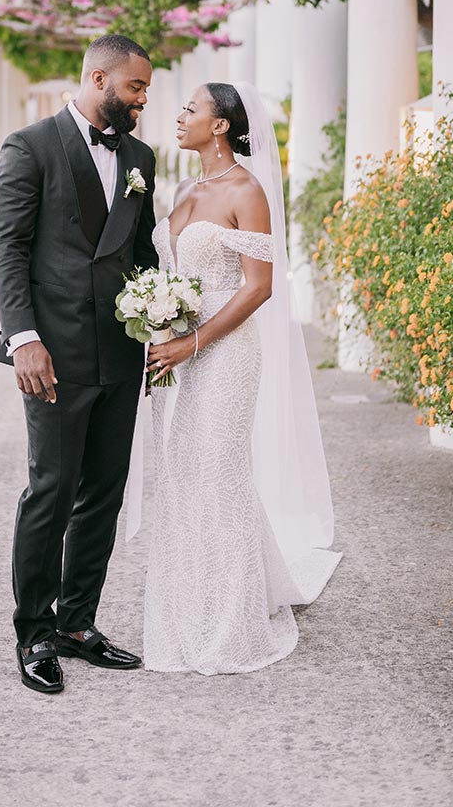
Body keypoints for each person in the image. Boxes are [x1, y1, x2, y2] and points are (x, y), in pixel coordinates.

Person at [142, 81, 342, 674]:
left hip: (222, 355)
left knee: (219, 472)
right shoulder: (184, 187)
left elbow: (259, 286)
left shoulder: (246, 190)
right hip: (171, 354)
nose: (179, 116)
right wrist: (157, 321)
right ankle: (187, 604)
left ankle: (230, 621)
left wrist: (192, 341)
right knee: (180, 476)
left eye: (190, 108)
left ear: (222, 124)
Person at [0, 35, 158, 694]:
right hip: (50, 353)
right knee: (51, 491)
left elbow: (141, 255)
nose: (144, 100)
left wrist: (161, 320)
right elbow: (7, 250)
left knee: (104, 494)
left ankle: (76, 624)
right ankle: (33, 633)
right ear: (99, 79)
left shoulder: (140, 156)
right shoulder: (28, 147)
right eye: (136, 88)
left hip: (120, 350)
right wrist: (22, 336)